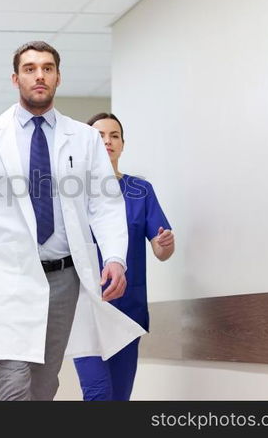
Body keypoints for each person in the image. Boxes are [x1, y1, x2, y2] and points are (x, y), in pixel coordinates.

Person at [0, 41, 145, 401]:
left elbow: (105, 203)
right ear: (15, 78)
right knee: (14, 377)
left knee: (43, 382)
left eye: (47, 68)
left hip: (66, 277)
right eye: (30, 68)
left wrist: (115, 257)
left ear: (58, 77)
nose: (39, 75)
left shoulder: (84, 139)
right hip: (10, 274)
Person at [73, 112, 175, 401]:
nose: (107, 141)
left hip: (127, 310)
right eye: (99, 136)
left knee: (119, 396)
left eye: (114, 135)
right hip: (86, 307)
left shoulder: (140, 190)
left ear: (123, 144)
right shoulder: (73, 192)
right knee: (98, 393)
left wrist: (165, 243)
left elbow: (161, 249)